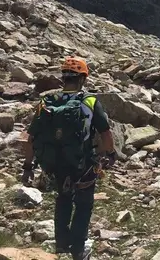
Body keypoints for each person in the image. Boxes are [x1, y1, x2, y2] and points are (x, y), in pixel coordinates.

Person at [21, 57, 117, 260]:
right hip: (82, 163)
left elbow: (30, 138)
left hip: (55, 163)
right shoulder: (89, 101)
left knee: (63, 199)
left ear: (63, 78)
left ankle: (62, 244)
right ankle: (78, 250)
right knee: (83, 205)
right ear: (82, 78)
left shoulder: (47, 102)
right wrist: (110, 154)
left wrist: (28, 166)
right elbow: (105, 132)